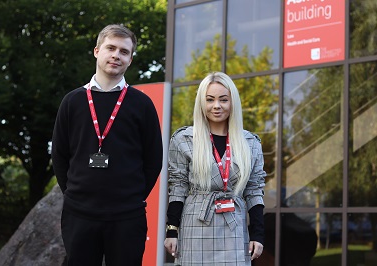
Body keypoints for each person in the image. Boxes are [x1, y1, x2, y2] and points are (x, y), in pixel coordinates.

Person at [51, 24, 163, 266]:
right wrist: (73, 193)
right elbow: (59, 155)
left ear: (130, 60)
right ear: (96, 51)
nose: (116, 55)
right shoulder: (72, 101)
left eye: (124, 51)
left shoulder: (142, 104)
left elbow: (153, 160)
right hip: (79, 213)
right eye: (110, 48)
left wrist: (131, 197)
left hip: (127, 215)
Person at [164, 72, 266, 265]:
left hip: (234, 226)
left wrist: (258, 234)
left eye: (223, 99)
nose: (216, 106)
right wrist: (172, 230)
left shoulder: (250, 143)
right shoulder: (183, 140)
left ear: (232, 102)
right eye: (210, 100)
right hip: (195, 225)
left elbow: (254, 190)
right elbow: (178, 186)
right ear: (201, 103)